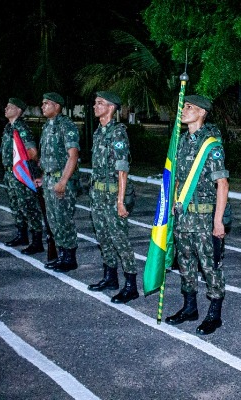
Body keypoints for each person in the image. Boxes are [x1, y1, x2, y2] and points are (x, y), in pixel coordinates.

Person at [164, 95, 230, 336]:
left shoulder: (211, 144)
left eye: (190, 107)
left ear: (202, 112)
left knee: (210, 266)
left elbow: (222, 184)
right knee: (185, 263)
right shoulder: (181, 141)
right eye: (184, 106)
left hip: (204, 218)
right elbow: (177, 178)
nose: (184, 109)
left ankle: (214, 314)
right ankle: (189, 307)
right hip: (183, 217)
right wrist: (171, 206)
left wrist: (218, 221)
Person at [86, 91, 139, 303]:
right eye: (95, 103)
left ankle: (131, 285)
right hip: (98, 194)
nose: (95, 106)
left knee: (120, 240)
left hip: (113, 194)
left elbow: (122, 169)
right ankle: (110, 277)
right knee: (103, 237)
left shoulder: (117, 133)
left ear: (111, 108)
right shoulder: (99, 132)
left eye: (100, 103)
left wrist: (120, 201)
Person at [36, 92, 81, 273]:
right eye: (42, 103)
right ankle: (61, 255)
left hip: (62, 180)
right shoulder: (47, 126)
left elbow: (73, 156)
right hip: (49, 179)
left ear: (57, 106)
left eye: (46, 103)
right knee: (53, 221)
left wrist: (62, 181)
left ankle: (69, 258)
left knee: (64, 220)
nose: (42, 106)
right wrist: (44, 176)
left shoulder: (66, 125)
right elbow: (48, 155)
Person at [1, 97, 44, 255]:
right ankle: (22, 235)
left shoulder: (21, 127)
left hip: (21, 173)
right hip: (10, 173)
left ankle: (37, 241)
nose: (6, 108)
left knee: (28, 206)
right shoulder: (8, 127)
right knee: (16, 206)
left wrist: (21, 165)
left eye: (10, 106)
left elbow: (32, 152)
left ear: (18, 110)